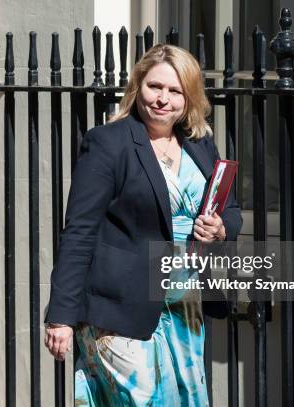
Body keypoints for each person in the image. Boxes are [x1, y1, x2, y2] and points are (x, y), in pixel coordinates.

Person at [44, 44, 242, 406]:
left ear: (189, 97)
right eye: (155, 87)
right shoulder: (108, 143)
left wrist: (221, 229)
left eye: (175, 91)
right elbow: (79, 231)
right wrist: (61, 316)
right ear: (138, 87)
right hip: (121, 307)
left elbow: (230, 208)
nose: (163, 99)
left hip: (185, 305)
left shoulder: (199, 144)